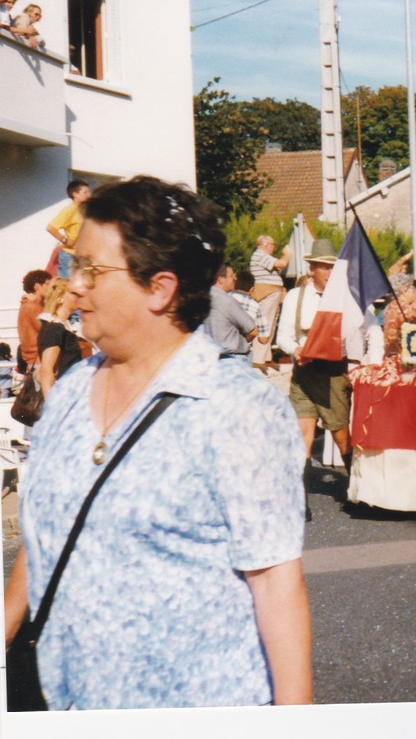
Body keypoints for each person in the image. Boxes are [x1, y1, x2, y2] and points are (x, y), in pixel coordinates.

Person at [4, 175, 311, 710]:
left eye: (91, 270)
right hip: (62, 711)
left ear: (159, 289)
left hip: (193, 734)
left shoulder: (237, 406)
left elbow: (275, 584)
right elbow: (45, 532)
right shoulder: (73, 389)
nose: (74, 285)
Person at [276, 237, 357, 498]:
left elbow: (359, 332)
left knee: (341, 435)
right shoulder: (294, 297)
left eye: (333, 267)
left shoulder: (345, 297)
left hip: (333, 373)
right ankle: (301, 502)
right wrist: (294, 350)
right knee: (303, 435)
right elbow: (283, 336)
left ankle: (357, 492)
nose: (330, 272)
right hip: (304, 374)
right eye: (324, 267)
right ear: (312, 269)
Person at [35, 277, 86, 397]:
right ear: (60, 297)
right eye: (73, 293)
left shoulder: (64, 327)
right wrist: (53, 409)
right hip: (64, 394)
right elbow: (46, 372)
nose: (79, 296)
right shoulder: (55, 328)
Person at [248, 232, 290, 367]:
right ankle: (259, 359)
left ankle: (266, 357)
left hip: (272, 293)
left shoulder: (262, 256)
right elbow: (282, 263)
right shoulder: (260, 255)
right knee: (266, 324)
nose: (274, 248)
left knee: (270, 324)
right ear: (266, 244)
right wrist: (287, 253)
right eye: (273, 245)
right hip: (268, 293)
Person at [203, 262, 257, 357]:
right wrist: (242, 341)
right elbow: (253, 330)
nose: (235, 279)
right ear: (220, 279)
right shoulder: (228, 302)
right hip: (233, 357)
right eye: (231, 276)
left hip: (209, 356)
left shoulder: (202, 298)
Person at [45, 178, 91, 277]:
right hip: (70, 256)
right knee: (66, 287)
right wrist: (65, 240)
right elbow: (50, 228)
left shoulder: (84, 211)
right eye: (85, 192)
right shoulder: (69, 210)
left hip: (82, 255)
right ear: (75, 194)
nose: (89, 195)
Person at [17, 269, 51, 375]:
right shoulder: (33, 307)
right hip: (39, 361)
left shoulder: (29, 305)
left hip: (35, 361)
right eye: (47, 284)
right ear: (37, 286)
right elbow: (49, 332)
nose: (50, 288)